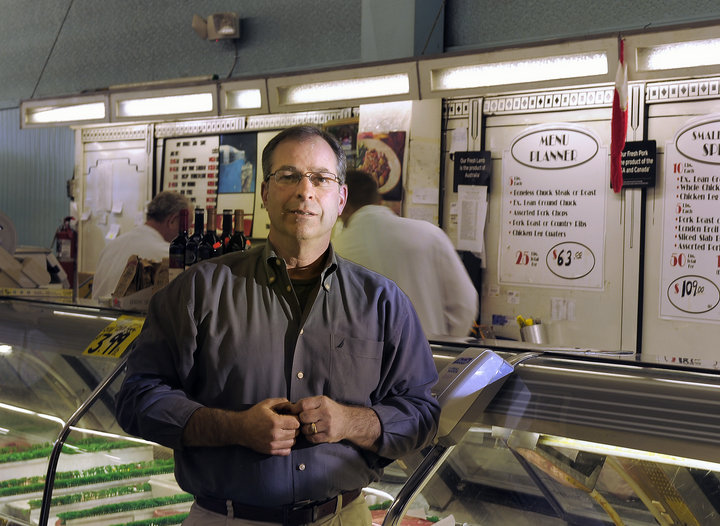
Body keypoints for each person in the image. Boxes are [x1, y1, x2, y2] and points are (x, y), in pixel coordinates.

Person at [115, 125, 440, 526]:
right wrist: (234, 428)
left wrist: (351, 421)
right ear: (265, 193)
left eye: (321, 178)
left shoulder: (383, 302)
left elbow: (423, 412)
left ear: (340, 199)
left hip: (341, 517)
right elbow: (137, 399)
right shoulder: (197, 291)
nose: (305, 191)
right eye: (288, 176)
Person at [334, 170, 479, 338]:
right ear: (379, 200)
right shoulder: (429, 235)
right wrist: (443, 344)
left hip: (368, 359)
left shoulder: (337, 251)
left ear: (343, 205)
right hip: (429, 356)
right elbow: (466, 304)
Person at [92, 191, 190, 299]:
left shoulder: (111, 247)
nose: (188, 234)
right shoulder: (168, 255)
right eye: (187, 227)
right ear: (172, 221)